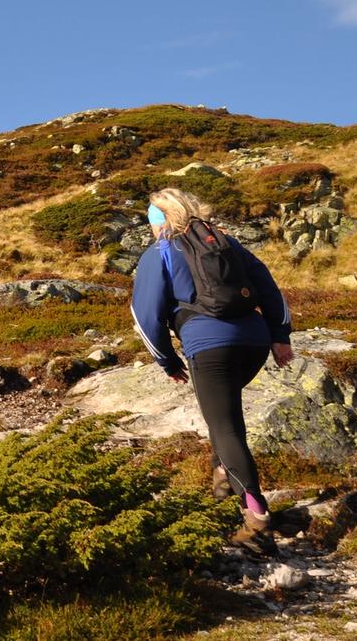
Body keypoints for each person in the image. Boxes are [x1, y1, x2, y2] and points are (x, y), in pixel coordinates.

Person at [130, 187, 294, 556]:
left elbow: (145, 316)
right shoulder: (225, 242)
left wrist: (167, 360)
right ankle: (222, 480)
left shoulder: (160, 252)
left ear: (157, 221)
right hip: (254, 342)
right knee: (224, 416)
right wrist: (280, 336)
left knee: (226, 428)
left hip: (208, 347)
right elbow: (269, 287)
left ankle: (257, 521)